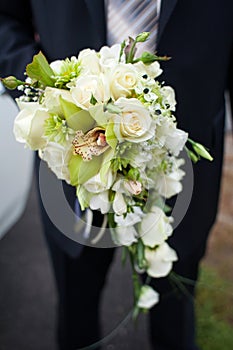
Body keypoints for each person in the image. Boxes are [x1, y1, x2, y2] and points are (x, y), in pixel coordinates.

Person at [0, 1, 232, 349]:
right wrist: (45, 94)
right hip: (74, 158)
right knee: (76, 314)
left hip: (185, 160)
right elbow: (6, 19)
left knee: (175, 311)